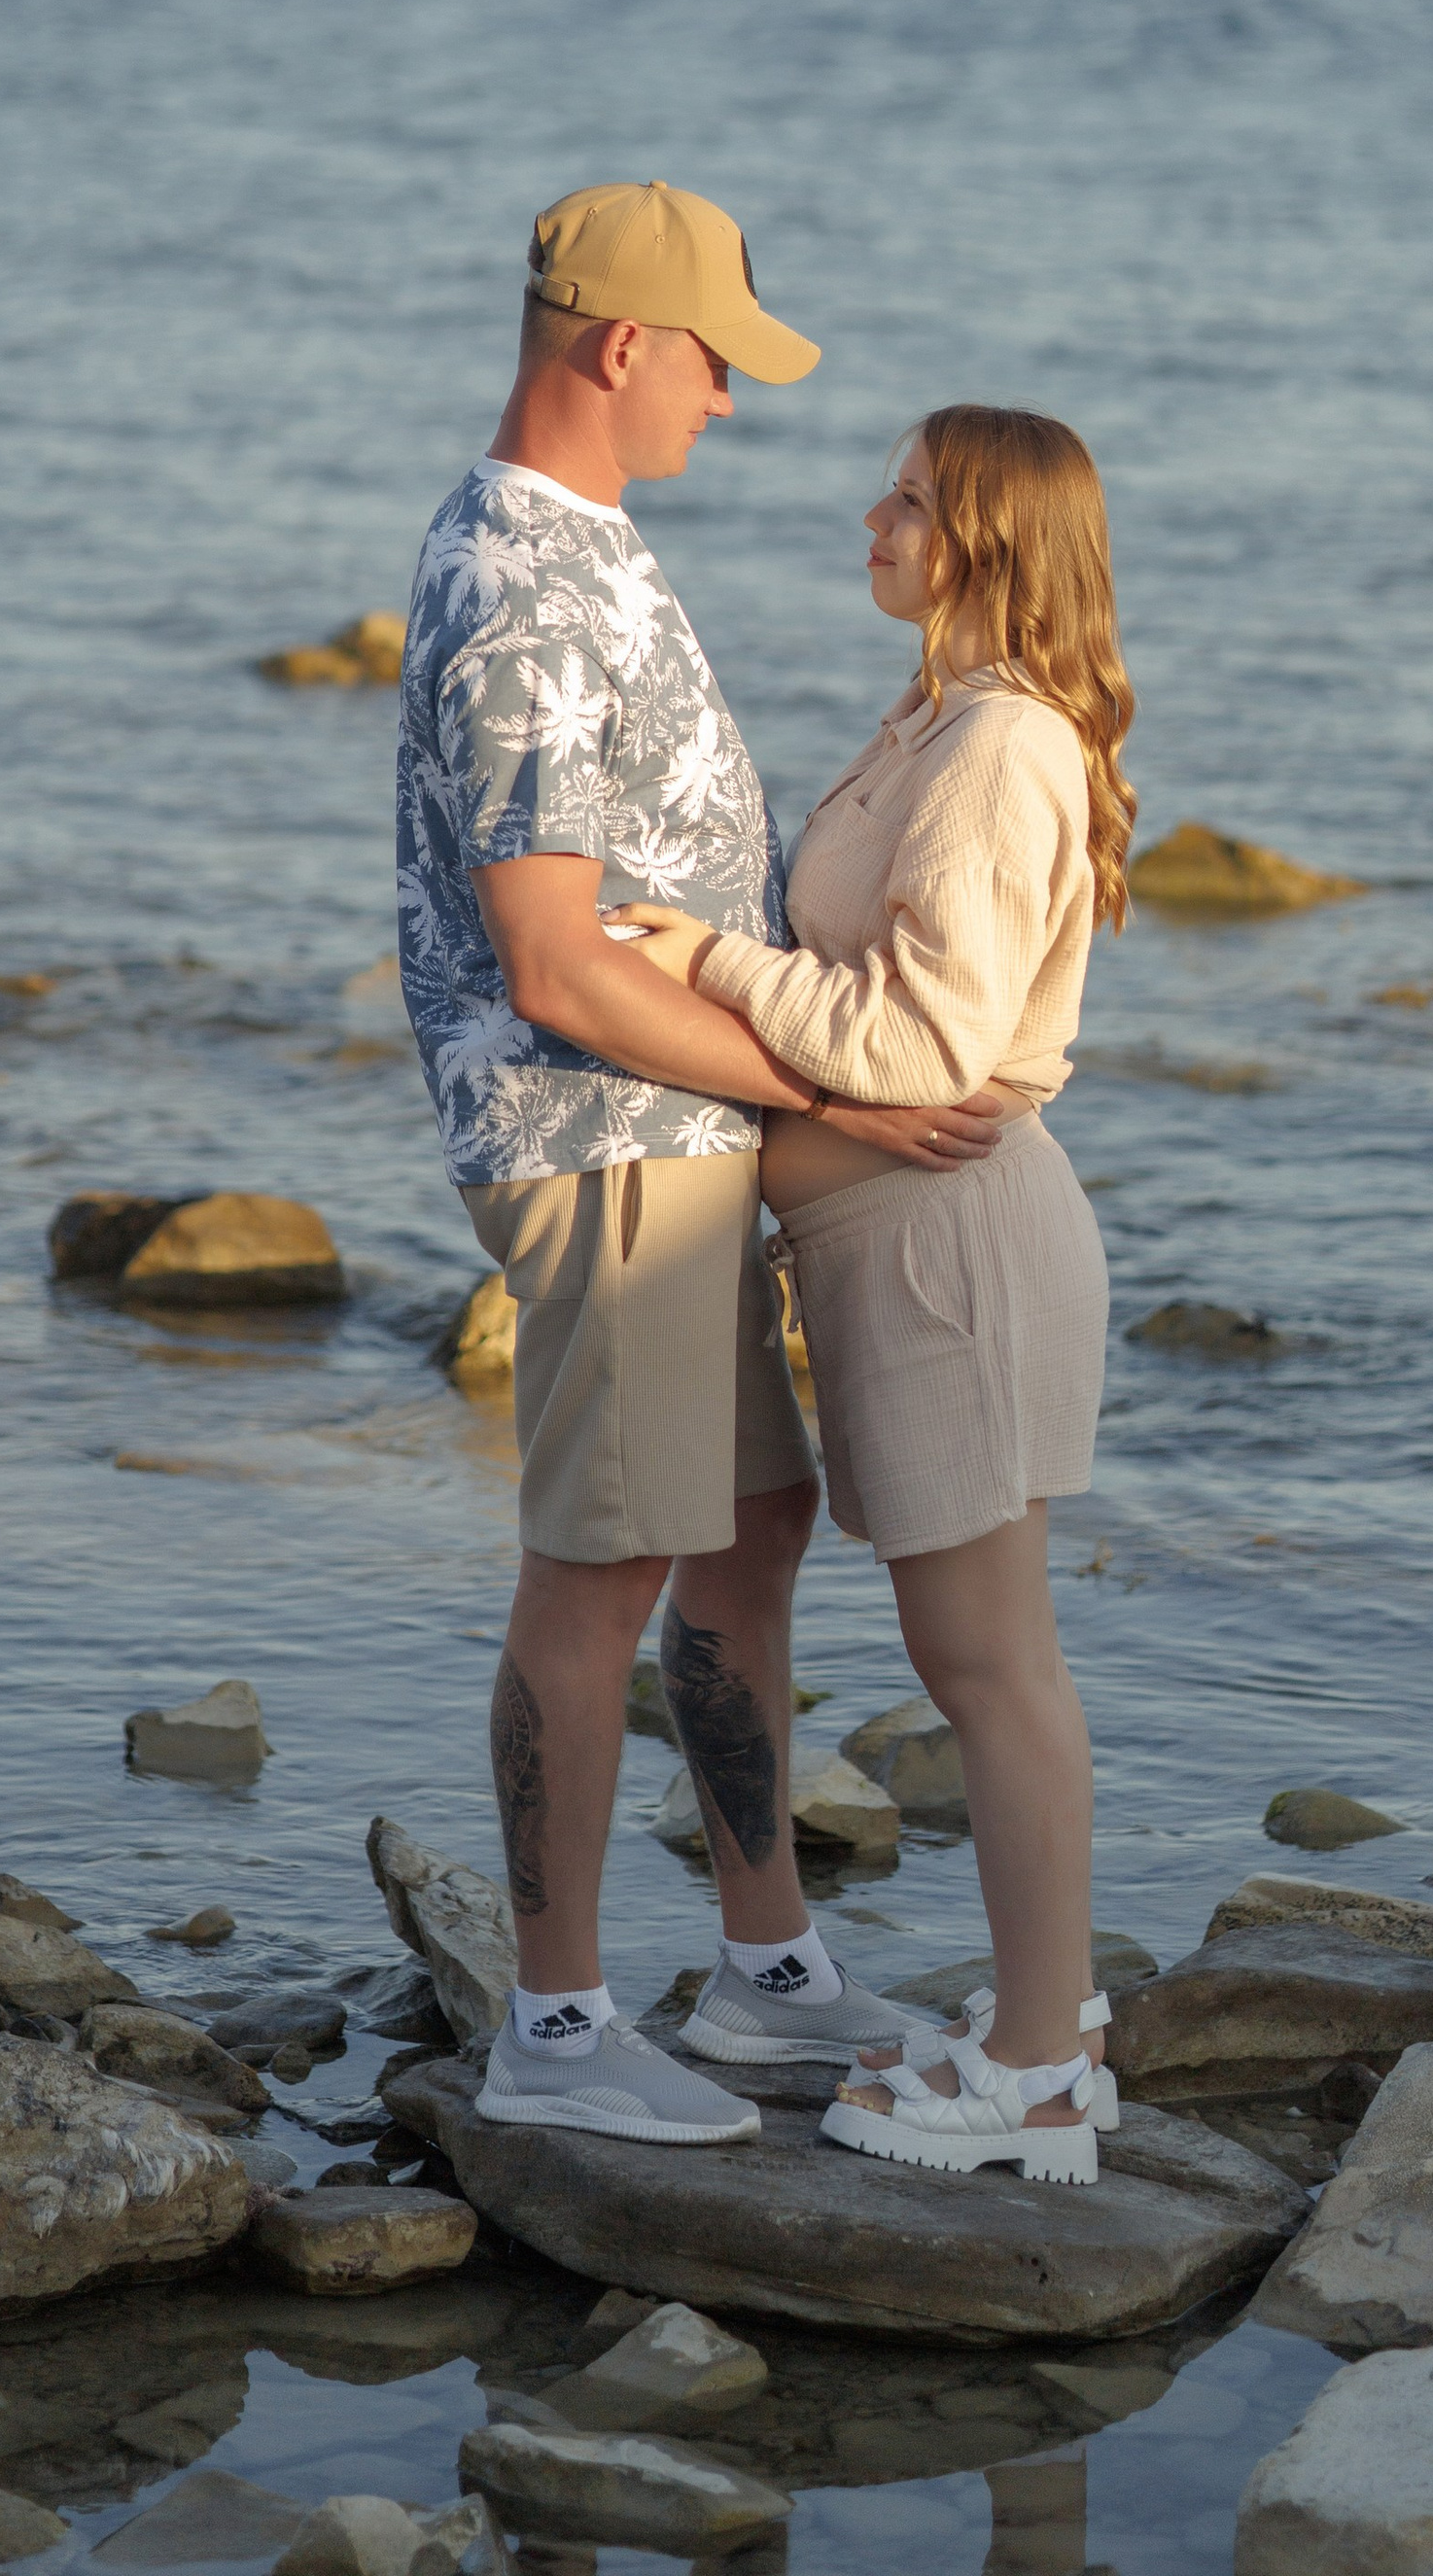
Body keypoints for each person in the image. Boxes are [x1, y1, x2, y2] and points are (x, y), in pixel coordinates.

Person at [397, 183, 1009, 2145]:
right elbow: (556, 958)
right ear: (615, 347)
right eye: (719, 363)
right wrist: (835, 1078)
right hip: (603, 1148)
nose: (733, 404)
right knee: (596, 1571)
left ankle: (762, 1971)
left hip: (682, 1137)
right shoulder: (523, 590)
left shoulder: (587, 549)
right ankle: (553, 2028)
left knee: (750, 1527)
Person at [614, 405, 1133, 2184]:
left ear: (988, 535)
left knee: (989, 1665)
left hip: (954, 1249)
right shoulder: (936, 723)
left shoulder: (997, 747)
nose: (872, 517)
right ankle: (1037, 2027)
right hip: (895, 1251)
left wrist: (702, 960)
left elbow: (924, 1046)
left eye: (909, 499)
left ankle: (1044, 2073)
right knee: (976, 1656)